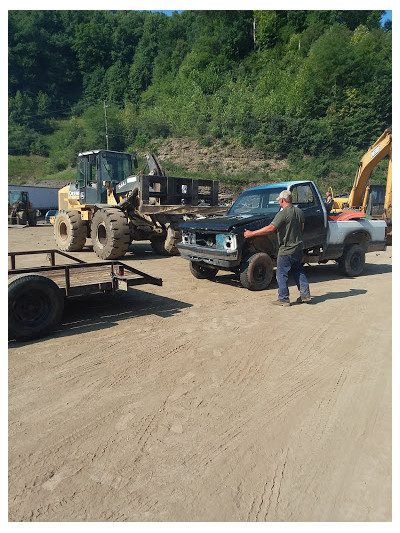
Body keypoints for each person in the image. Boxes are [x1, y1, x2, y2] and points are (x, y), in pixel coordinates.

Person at [243, 190, 311, 307]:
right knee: (298, 270)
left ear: (282, 200)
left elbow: (270, 228)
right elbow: (302, 227)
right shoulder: (300, 212)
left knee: (281, 273)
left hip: (286, 250)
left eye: (279, 200)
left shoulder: (282, 214)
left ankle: (283, 298)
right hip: (298, 248)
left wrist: (251, 233)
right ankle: (305, 295)